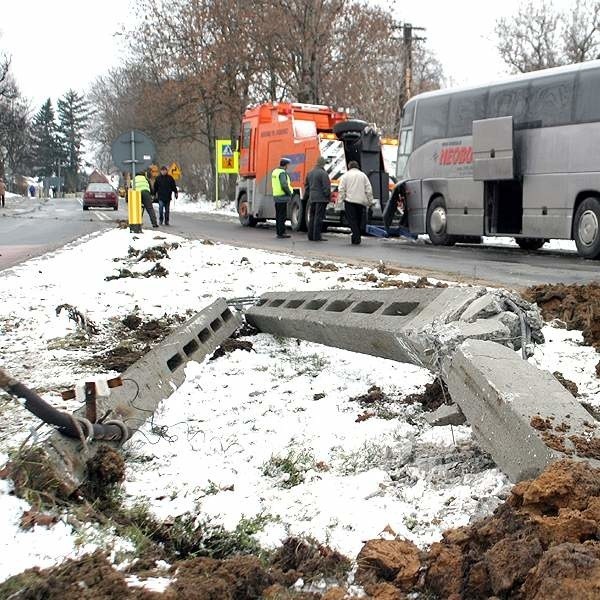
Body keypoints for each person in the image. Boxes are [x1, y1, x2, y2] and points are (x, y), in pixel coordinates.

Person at [338, 160, 374, 245]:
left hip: (349, 201)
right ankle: (356, 237)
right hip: (361, 202)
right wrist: (370, 201)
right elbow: (369, 190)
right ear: (357, 166)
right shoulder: (363, 175)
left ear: (349, 167)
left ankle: (356, 237)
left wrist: (341, 200)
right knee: (358, 220)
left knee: (352, 220)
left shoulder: (346, 176)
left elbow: (341, 189)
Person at [302, 156, 331, 242]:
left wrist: (307, 195)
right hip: (321, 199)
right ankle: (317, 236)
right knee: (319, 218)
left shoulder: (310, 172)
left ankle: (310, 235)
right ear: (323, 163)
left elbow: (306, 186)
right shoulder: (323, 173)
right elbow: (326, 187)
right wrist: (327, 196)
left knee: (312, 217)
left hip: (312, 198)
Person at [271, 158, 293, 238]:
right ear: (285, 165)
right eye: (288, 165)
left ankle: (279, 232)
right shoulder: (282, 173)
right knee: (282, 216)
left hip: (276, 196)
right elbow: (284, 184)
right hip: (282, 197)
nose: (288, 166)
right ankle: (282, 232)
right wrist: (289, 193)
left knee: (278, 216)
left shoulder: (275, 172)